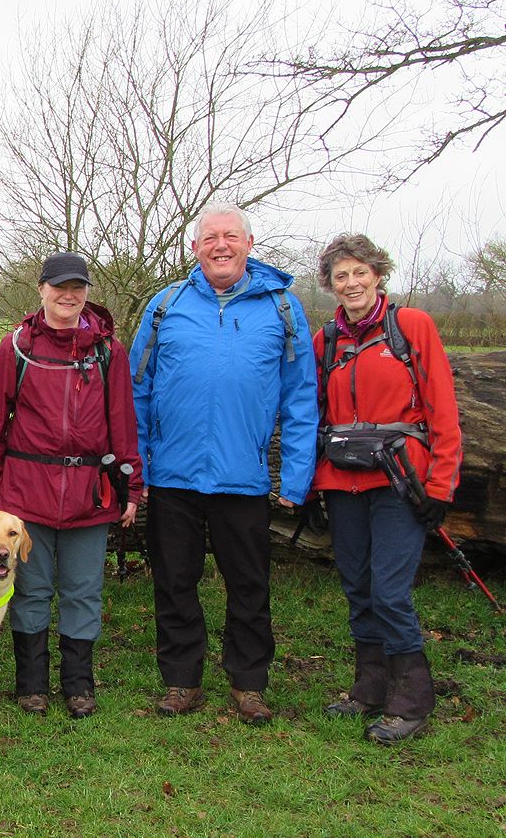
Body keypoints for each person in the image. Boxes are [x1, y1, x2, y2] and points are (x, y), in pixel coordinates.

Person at [129, 202, 317, 725]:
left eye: (230, 237)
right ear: (195, 248)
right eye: (210, 238)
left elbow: (301, 399)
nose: (220, 246)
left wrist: (297, 476)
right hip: (174, 475)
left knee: (249, 585)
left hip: (243, 476)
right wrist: (136, 469)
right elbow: (137, 393)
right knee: (174, 581)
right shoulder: (165, 306)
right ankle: (182, 679)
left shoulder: (282, 308)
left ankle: (249, 684)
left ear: (249, 245)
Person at [0, 253, 142, 719]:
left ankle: (78, 684)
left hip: (92, 493)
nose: (67, 296)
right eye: (58, 286)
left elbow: (123, 425)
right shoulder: (17, 348)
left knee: (84, 589)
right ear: (42, 289)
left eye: (77, 287)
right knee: (31, 589)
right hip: (25, 493)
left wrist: (131, 486)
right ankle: (31, 684)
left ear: (87, 291)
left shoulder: (108, 351)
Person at [310, 233, 461, 744]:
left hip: (400, 481)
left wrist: (441, 485)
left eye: (359, 272)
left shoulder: (411, 326)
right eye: (340, 276)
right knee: (357, 586)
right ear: (330, 285)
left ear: (378, 274)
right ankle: (370, 685)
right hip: (342, 482)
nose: (351, 283)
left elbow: (443, 408)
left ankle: (412, 698)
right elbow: (316, 418)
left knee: (390, 590)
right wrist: (310, 487)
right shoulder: (326, 339)